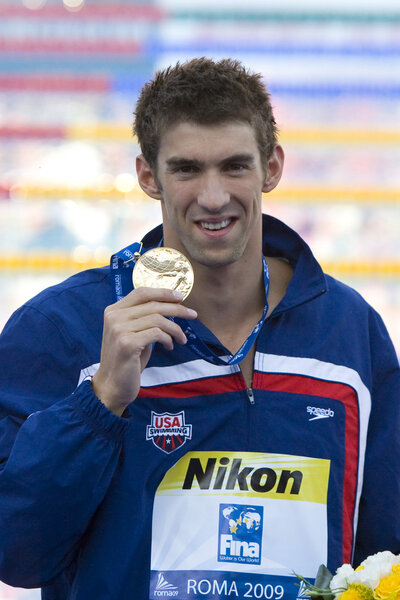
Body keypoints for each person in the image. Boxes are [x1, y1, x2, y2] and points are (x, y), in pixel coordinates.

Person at [0, 58, 398, 600]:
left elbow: (385, 553)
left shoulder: (349, 332)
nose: (213, 197)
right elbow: (16, 552)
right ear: (148, 176)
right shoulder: (63, 330)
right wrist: (99, 404)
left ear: (272, 167)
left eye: (234, 166)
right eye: (187, 169)